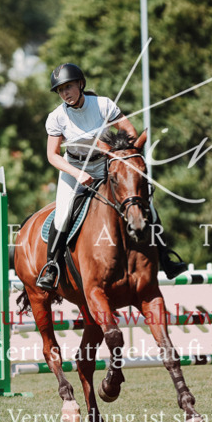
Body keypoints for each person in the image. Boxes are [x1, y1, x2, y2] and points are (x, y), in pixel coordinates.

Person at [36, 63, 187, 291]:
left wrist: (116, 153)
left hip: (106, 165)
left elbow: (130, 132)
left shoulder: (103, 104)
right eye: (60, 90)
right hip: (74, 169)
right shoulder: (56, 117)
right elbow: (52, 155)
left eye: (69, 87)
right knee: (63, 214)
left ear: (80, 84)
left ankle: (165, 258)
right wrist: (78, 173)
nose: (65, 93)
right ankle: (51, 267)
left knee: (144, 205)